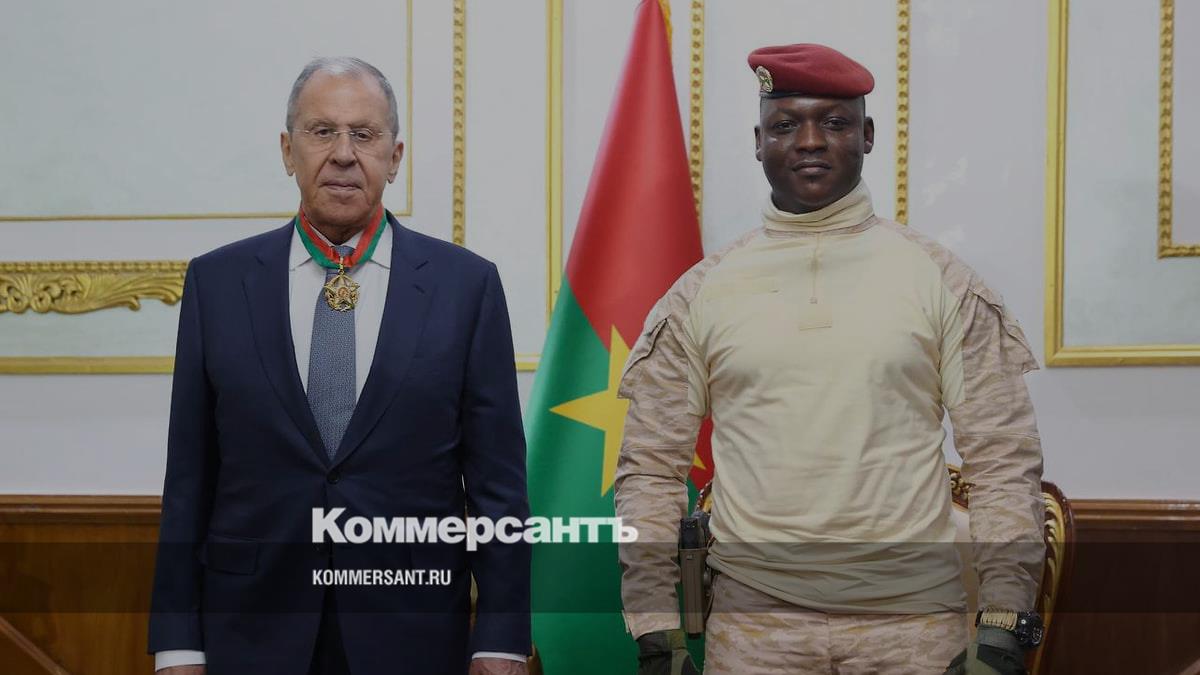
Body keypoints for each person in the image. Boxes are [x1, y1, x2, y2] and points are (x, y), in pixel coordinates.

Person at [614, 44, 1045, 675]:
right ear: (758, 142)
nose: (811, 141)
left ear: (868, 136)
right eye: (786, 124)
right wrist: (655, 626)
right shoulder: (700, 294)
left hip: (914, 627)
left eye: (836, 122)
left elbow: (1004, 461)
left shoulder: (943, 281)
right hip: (753, 630)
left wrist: (1004, 622)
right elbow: (650, 470)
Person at [147, 57, 530, 675]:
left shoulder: (466, 287)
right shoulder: (218, 283)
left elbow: (498, 486)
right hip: (252, 629)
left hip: (411, 630)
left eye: (365, 134)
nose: (344, 154)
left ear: (395, 157)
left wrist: (501, 638)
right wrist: (178, 643)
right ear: (288, 150)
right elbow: (189, 478)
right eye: (322, 131)